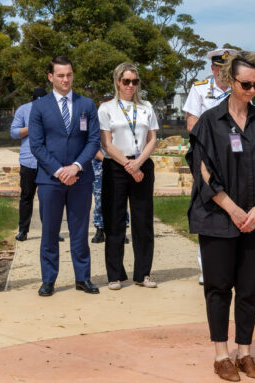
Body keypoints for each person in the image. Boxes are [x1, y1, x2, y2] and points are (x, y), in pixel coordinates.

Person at [187, 51, 255, 381]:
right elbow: (203, 172)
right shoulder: (209, 123)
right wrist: (233, 208)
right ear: (229, 81)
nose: (252, 90)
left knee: (250, 287)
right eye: (246, 84)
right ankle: (221, 355)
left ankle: (244, 352)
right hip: (217, 216)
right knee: (218, 286)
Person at [29, 56, 101, 297]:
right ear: (51, 77)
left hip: (80, 179)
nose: (65, 79)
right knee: (49, 231)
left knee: (80, 231)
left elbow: (93, 141)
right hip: (50, 180)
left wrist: (76, 167)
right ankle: (49, 280)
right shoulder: (39, 107)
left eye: (69, 74)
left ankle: (83, 278)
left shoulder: (87, 104)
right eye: (60, 75)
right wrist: (60, 171)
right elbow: (37, 146)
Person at [99, 62, 158, 291]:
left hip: (142, 165)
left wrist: (139, 163)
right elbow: (106, 143)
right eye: (126, 81)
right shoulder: (106, 108)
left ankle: (143, 273)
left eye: (134, 81)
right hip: (116, 167)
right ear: (117, 82)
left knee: (143, 222)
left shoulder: (146, 107)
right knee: (114, 222)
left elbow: (152, 139)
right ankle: (115, 274)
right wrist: (128, 165)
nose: (130, 86)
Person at [183, 48, 238, 285]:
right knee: (207, 209)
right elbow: (191, 123)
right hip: (207, 158)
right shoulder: (199, 89)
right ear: (213, 69)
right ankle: (206, 269)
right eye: (220, 69)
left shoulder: (240, 88)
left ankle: (233, 265)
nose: (224, 73)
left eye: (229, 69)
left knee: (234, 206)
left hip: (235, 159)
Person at [10, 88, 65, 243]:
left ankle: (53, 232)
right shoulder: (23, 110)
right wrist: (31, 128)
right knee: (26, 197)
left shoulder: (54, 110)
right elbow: (14, 132)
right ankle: (23, 230)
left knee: (51, 198)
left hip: (48, 162)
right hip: (28, 161)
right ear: (32, 99)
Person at [91, 96, 130, 245]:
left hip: (119, 165)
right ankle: (100, 229)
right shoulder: (94, 122)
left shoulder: (122, 121)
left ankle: (122, 229)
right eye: (102, 102)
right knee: (100, 199)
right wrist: (110, 159)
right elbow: (93, 146)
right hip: (100, 167)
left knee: (121, 199)